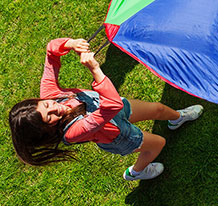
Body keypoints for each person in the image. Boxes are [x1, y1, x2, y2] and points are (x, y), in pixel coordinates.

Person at [8, 38, 203, 181]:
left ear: (39, 100)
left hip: (116, 112)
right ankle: (137, 172)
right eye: (49, 117)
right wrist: (95, 69)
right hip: (119, 135)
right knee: (159, 143)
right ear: (45, 130)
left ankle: (177, 118)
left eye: (46, 105)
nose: (55, 109)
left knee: (158, 109)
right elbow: (111, 105)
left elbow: (51, 51)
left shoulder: (49, 94)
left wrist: (71, 44)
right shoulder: (73, 132)